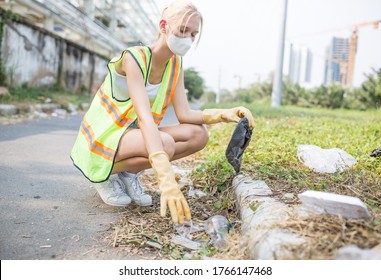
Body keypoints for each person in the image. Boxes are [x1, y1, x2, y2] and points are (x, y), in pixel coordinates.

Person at [71, 0, 255, 224]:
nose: (187, 39)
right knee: (164, 143)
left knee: (199, 134)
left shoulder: (175, 64)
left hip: (132, 137)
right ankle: (104, 175)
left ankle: (128, 174)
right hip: (104, 138)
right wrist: (166, 178)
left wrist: (226, 114)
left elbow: (185, 114)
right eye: (183, 31)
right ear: (163, 26)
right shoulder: (134, 58)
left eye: (193, 35)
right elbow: (145, 118)